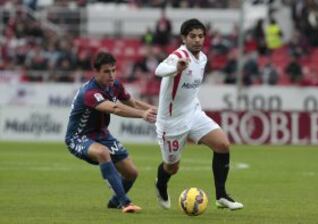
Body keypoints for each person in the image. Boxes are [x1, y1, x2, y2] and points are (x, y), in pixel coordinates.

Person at [154, 18, 244, 210]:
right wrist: (175, 68)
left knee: (222, 145)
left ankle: (221, 196)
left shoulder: (202, 58)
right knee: (172, 167)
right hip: (172, 121)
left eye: (201, 36)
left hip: (193, 112)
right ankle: (161, 184)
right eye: (192, 36)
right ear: (184, 38)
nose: (197, 40)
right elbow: (159, 69)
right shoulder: (178, 55)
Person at [64, 52, 157, 213]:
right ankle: (125, 203)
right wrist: (142, 114)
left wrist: (151, 109)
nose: (111, 75)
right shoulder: (90, 92)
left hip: (102, 135)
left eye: (114, 70)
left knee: (132, 173)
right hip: (78, 138)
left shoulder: (115, 85)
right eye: (107, 71)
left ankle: (114, 202)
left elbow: (132, 102)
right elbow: (115, 108)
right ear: (96, 72)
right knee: (102, 152)